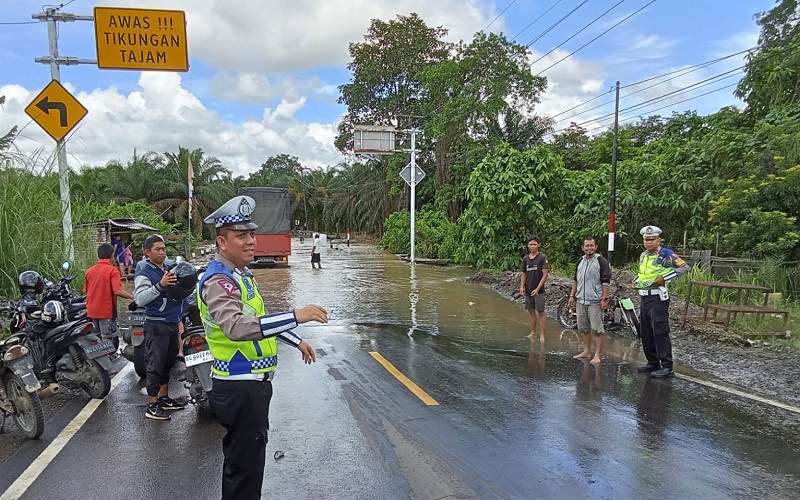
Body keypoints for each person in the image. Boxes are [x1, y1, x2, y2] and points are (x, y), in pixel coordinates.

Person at [198, 195, 328, 500]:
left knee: (249, 465)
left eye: (252, 234)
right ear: (222, 242)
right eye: (241, 236)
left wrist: (296, 340)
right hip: (239, 387)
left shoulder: (240, 276)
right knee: (244, 471)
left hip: (252, 387)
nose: (251, 242)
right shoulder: (218, 281)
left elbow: (259, 320)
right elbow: (238, 327)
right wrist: (297, 315)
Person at [134, 234, 188, 420]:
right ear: (147, 252)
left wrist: (179, 318)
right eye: (157, 249)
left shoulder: (168, 267)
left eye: (164, 248)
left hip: (172, 321)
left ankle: (164, 398)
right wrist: (160, 285)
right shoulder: (144, 272)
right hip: (156, 323)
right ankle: (152, 405)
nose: (162, 252)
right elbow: (140, 299)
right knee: (155, 365)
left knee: (168, 362)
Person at [634, 225, 690, 378]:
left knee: (660, 331)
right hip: (644, 296)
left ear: (658, 240)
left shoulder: (666, 254)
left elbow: (684, 267)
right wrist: (636, 281)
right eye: (647, 239)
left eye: (652, 239)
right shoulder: (643, 255)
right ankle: (652, 362)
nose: (649, 242)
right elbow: (643, 273)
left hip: (658, 298)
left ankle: (666, 366)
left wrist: (665, 278)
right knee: (646, 332)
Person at [84, 242, 135, 350]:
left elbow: (85, 290)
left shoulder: (89, 271)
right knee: (106, 337)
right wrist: (133, 297)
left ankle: (97, 360)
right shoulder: (112, 270)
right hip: (106, 310)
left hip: (91, 310)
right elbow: (117, 291)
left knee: (95, 336)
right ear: (112, 255)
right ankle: (107, 361)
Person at [570, 236, 611, 364]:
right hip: (581, 300)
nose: (589, 248)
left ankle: (597, 355)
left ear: (595, 247)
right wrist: (572, 296)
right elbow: (575, 281)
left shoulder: (601, 261)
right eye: (586, 246)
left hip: (595, 301)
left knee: (597, 329)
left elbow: (606, 282)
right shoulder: (580, 262)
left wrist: (604, 299)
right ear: (583, 248)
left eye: (591, 246)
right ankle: (587, 351)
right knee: (584, 328)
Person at [519, 235, 549, 341]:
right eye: (531, 244)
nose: (532, 246)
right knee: (531, 312)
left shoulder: (542, 258)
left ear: (538, 245)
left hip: (539, 291)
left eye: (534, 244)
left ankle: (542, 335)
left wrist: (537, 289)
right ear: (528, 245)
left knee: (541, 312)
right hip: (528, 289)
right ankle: (532, 333)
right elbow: (523, 274)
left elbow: (545, 275)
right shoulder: (526, 259)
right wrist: (522, 286)